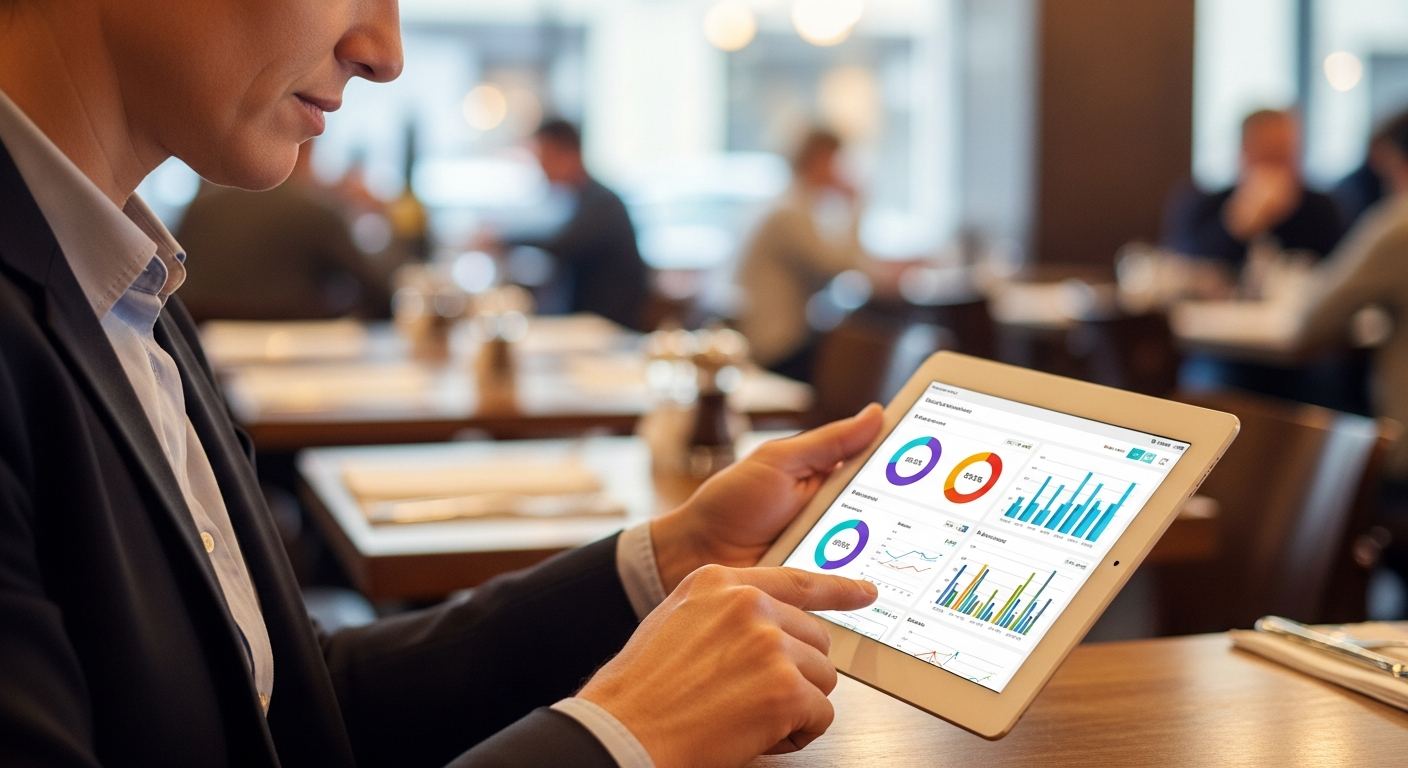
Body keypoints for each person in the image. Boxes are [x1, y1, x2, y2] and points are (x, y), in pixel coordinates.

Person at [0, 3, 882, 767]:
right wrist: (626, 738)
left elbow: (291, 708)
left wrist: (663, 563)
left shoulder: (129, 284)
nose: (384, 49)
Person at [176, 140, 394, 321]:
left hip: (204, 353)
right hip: (298, 355)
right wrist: (388, 215)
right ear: (306, 151)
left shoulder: (200, 209)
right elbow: (378, 293)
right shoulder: (314, 214)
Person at [734, 129, 867, 383]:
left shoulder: (788, 203)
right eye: (837, 161)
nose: (843, 170)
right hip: (774, 342)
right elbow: (841, 265)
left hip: (765, 333)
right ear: (818, 160)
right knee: (856, 357)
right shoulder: (790, 212)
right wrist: (856, 206)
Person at [506, 118, 650, 330]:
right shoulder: (583, 199)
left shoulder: (602, 203)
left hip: (608, 327)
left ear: (568, 154)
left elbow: (560, 244)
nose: (542, 169)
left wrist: (502, 239)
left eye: (545, 159)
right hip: (590, 320)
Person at [1162, 109, 1346, 271]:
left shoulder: (1322, 208)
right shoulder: (1206, 203)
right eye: (1270, 153)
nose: (1279, 164)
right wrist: (1238, 227)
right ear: (1244, 152)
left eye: (1287, 153)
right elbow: (1181, 267)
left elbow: (1340, 270)